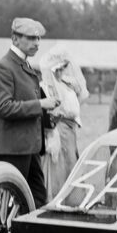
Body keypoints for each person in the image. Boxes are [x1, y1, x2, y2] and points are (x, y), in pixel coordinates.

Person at [0, 17, 58, 208]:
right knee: (10, 205)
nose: (37, 43)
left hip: (29, 148)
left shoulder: (24, 65)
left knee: (37, 199)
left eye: (38, 38)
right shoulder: (2, 68)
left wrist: (48, 116)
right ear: (15, 39)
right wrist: (41, 104)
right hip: (11, 150)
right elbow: (4, 107)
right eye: (31, 38)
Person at [39, 46, 89, 201]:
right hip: (58, 130)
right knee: (58, 167)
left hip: (70, 131)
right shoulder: (46, 87)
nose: (61, 72)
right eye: (58, 69)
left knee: (71, 163)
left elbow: (80, 97)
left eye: (63, 68)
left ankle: (72, 200)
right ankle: (58, 199)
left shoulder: (68, 85)